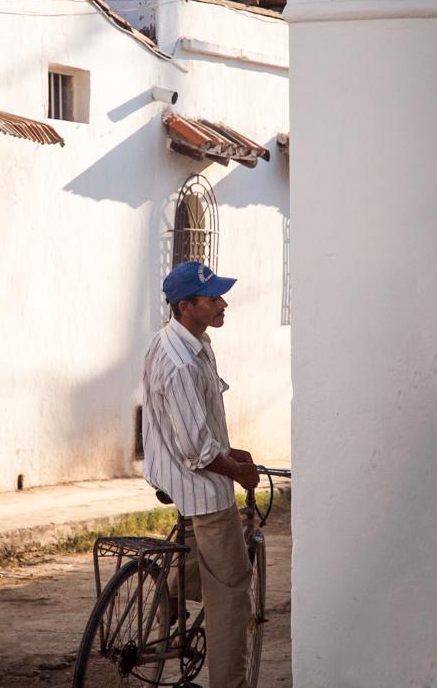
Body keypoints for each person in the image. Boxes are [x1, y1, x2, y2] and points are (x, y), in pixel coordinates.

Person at [142, 260, 260, 688]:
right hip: (196, 481)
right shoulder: (181, 361)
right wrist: (237, 472)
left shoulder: (189, 340)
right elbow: (197, 451)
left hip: (176, 466)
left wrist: (231, 451)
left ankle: (171, 589)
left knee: (203, 554)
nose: (222, 303)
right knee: (231, 591)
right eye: (212, 299)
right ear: (186, 306)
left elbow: (198, 425)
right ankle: (230, 683)